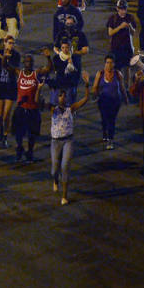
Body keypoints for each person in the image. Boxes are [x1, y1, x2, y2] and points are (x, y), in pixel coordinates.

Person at [48, 73, 92, 205]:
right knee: (55, 168)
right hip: (55, 141)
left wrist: (86, 85)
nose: (63, 97)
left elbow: (85, 99)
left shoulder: (70, 109)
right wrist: (38, 89)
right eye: (60, 95)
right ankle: (55, 180)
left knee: (65, 166)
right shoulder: (53, 110)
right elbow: (38, 102)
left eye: (64, 95)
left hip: (68, 140)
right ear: (57, 98)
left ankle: (64, 196)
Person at [92, 54, 128, 150]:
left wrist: (126, 98)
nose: (109, 65)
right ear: (105, 64)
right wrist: (94, 94)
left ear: (114, 64)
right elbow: (95, 87)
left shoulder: (118, 74)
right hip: (103, 101)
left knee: (112, 120)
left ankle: (110, 139)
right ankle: (105, 132)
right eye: (107, 62)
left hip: (115, 101)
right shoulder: (100, 74)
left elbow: (122, 87)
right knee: (104, 119)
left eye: (111, 63)